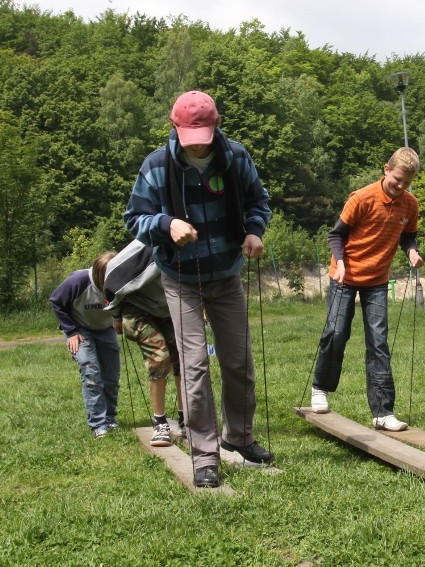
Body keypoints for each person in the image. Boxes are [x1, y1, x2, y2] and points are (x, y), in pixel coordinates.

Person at [124, 90, 273, 488]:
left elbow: (259, 200)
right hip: (180, 278)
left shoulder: (236, 156)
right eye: (189, 136)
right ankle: (205, 454)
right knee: (194, 366)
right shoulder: (156, 165)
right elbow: (134, 218)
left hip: (225, 273)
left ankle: (239, 438)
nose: (198, 145)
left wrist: (255, 231)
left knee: (239, 361)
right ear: (174, 127)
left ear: (217, 125)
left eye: (204, 135)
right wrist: (165, 225)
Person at [310, 147, 423, 432]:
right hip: (344, 276)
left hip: (377, 280)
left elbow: (408, 237)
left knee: (378, 343)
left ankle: (383, 412)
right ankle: (320, 388)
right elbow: (336, 234)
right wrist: (342, 263)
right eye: (397, 179)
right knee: (336, 333)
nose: (400, 186)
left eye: (406, 183)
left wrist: (412, 252)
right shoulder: (361, 198)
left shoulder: (410, 205)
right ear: (386, 169)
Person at [97, 239, 185, 447]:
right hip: (137, 307)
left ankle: (186, 419)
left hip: (169, 307)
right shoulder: (147, 244)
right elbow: (112, 276)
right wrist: (116, 316)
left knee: (185, 359)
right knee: (160, 355)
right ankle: (160, 423)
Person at [50, 252, 121, 439]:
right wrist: (71, 331)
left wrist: (120, 318)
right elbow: (56, 302)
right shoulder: (79, 281)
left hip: (105, 328)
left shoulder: (121, 281)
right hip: (80, 328)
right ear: (99, 274)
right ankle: (98, 424)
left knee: (111, 377)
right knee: (91, 371)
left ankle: (110, 418)